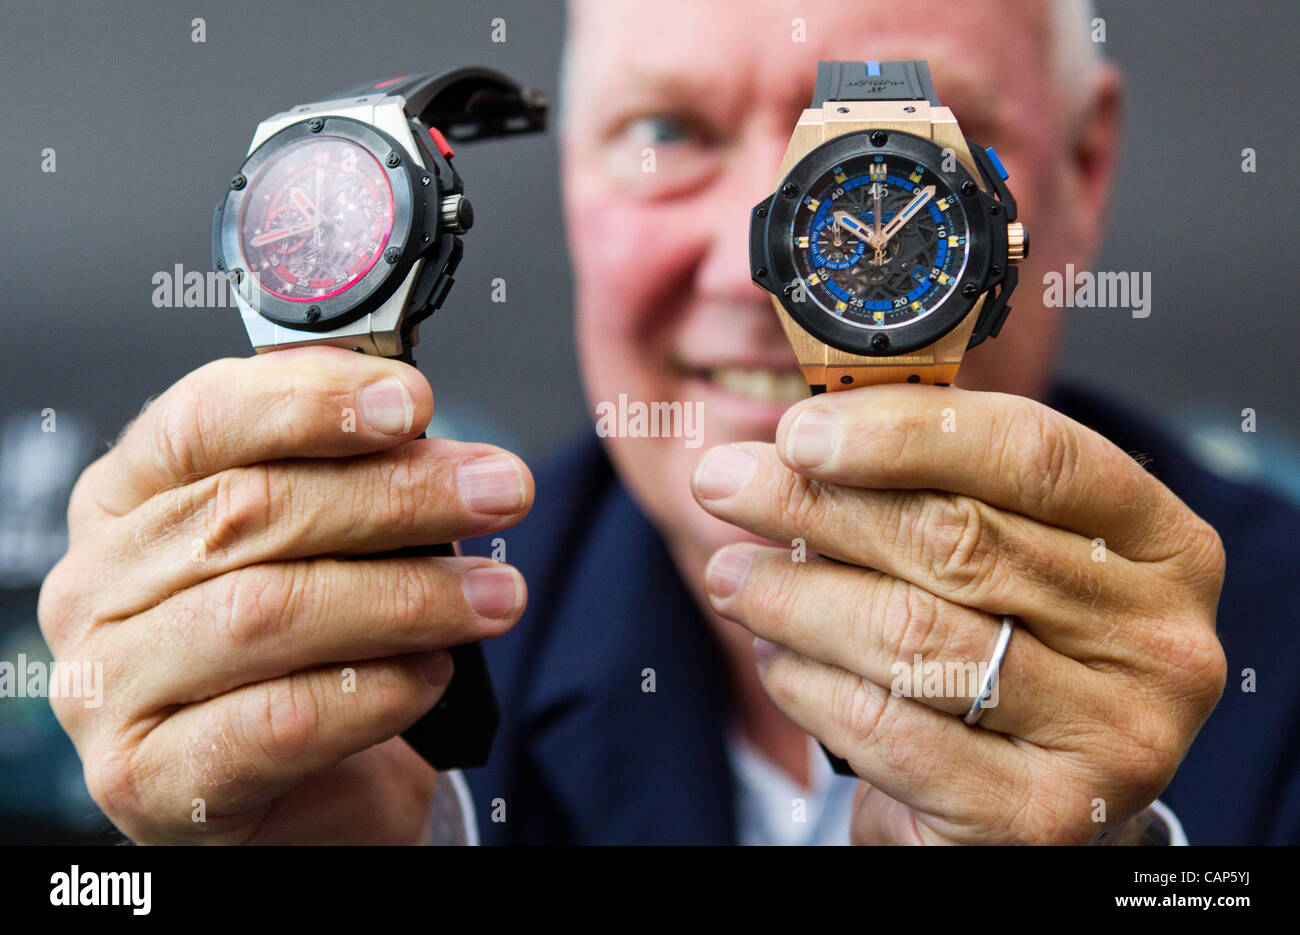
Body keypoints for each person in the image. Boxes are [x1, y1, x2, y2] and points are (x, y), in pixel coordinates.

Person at [37, 0, 1299, 844]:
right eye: (665, 133)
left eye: (900, 165)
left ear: (1074, 179)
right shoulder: (390, 645)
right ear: (571, 180)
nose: (768, 255)